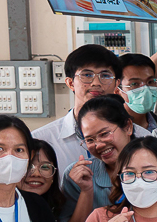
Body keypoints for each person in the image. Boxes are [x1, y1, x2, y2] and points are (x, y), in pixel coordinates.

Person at [33, 43, 127, 179]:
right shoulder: (43, 139)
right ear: (70, 83)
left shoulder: (139, 136)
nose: (96, 83)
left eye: (105, 75)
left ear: (117, 84)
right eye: (87, 75)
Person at [59, 94, 138, 222]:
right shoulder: (78, 176)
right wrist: (86, 192)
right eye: (90, 140)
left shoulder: (156, 167)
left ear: (128, 127)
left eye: (104, 134)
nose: (99, 145)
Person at [118, 52, 157, 132]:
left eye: (150, 82)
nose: (145, 90)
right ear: (118, 90)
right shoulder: (110, 130)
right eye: (134, 84)